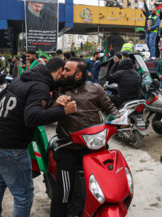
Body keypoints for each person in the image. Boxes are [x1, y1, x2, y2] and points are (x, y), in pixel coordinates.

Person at [0, 58, 77, 217]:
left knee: (0, 180)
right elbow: (32, 118)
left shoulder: (21, 78)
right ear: (60, 70)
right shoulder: (41, 86)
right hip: (10, 147)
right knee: (24, 195)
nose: (66, 77)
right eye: (66, 73)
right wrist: (63, 112)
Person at [50, 57, 118, 217]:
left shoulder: (96, 89)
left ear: (79, 75)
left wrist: (119, 119)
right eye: (63, 69)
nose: (63, 72)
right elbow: (47, 113)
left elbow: (111, 109)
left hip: (96, 148)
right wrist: (57, 104)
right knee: (63, 192)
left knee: (107, 186)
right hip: (68, 148)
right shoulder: (59, 90)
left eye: (67, 70)